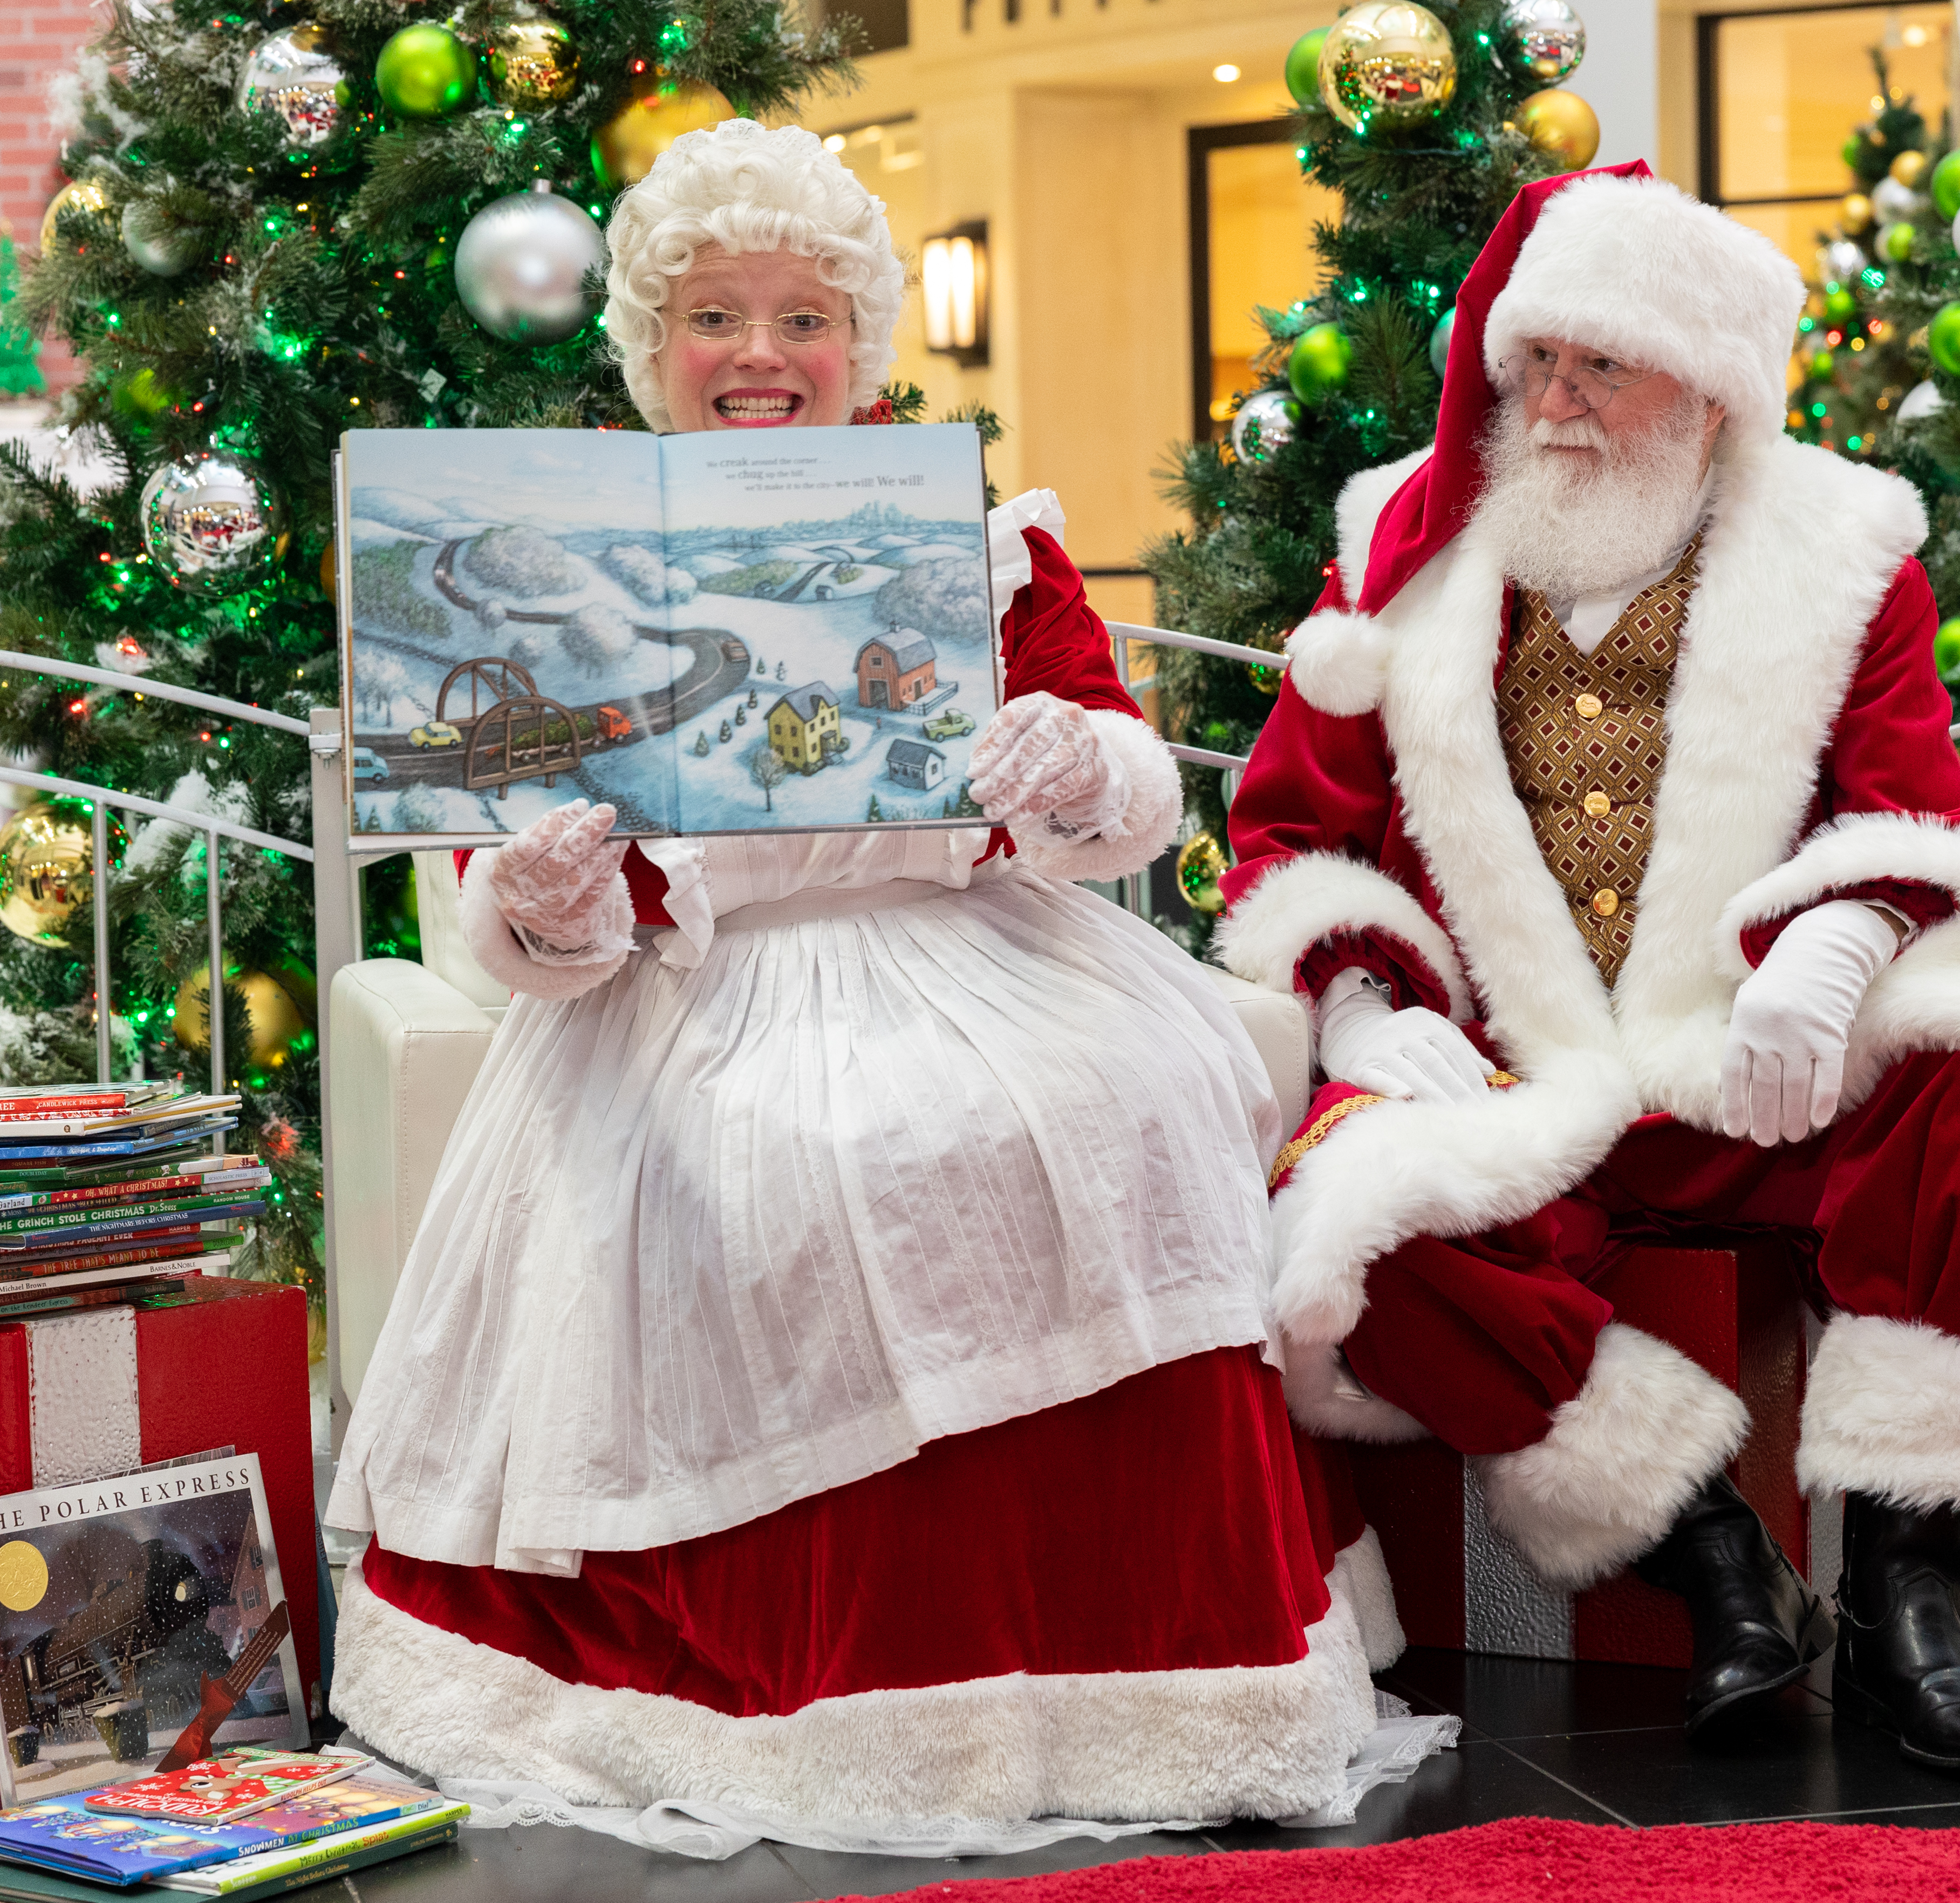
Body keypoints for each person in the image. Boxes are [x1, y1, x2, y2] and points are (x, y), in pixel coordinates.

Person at [326, 119, 1396, 1839]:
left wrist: (1071, 760)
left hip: (985, 954)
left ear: (865, 344)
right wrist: (538, 891)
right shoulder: (551, 550)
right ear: (650, 345)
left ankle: (1141, 1680)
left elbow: (1127, 793)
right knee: (796, 1161)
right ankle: (814, 1697)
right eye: (716, 317)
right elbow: (511, 910)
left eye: (805, 318)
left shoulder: (974, 540)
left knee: (1128, 1101)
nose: (762, 353)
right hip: (700, 988)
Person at [1218, 165, 1960, 1774]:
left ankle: (1903, 1599)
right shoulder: (1408, 546)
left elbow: (1917, 804)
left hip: (1755, 1066)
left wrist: (1835, 938)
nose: (1558, 401)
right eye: (1538, 360)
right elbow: (1281, 828)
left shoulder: (1842, 546)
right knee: (1346, 1242)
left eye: (1603, 363)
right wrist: (1355, 999)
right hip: (1518, 1064)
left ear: (1711, 384)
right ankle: (1712, 1560)